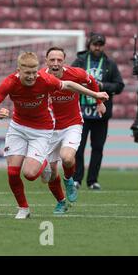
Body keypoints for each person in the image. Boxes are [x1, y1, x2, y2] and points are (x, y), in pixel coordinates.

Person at [0, 52, 109, 219]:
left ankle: (51, 169)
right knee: (13, 172)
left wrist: (96, 96)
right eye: (28, 73)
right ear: (19, 71)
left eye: (35, 72)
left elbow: (68, 84)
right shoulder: (10, 82)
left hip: (41, 130)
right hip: (18, 127)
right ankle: (23, 208)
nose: (32, 76)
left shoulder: (44, 79)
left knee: (31, 174)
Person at [40, 47, 106, 214]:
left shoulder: (76, 74)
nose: (56, 63)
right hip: (49, 129)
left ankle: (69, 179)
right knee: (49, 173)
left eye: (59, 60)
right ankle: (61, 202)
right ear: (46, 61)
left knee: (67, 158)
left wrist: (99, 102)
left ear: (64, 61)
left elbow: (91, 81)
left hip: (72, 124)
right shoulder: (40, 77)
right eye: (52, 60)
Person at [71, 32, 125, 190]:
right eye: (95, 44)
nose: (97, 47)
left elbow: (119, 86)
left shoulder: (110, 64)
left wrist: (102, 86)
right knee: (78, 148)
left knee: (98, 148)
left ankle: (92, 181)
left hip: (101, 113)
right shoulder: (80, 61)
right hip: (80, 112)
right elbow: (69, 79)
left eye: (100, 45)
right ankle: (77, 179)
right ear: (89, 44)